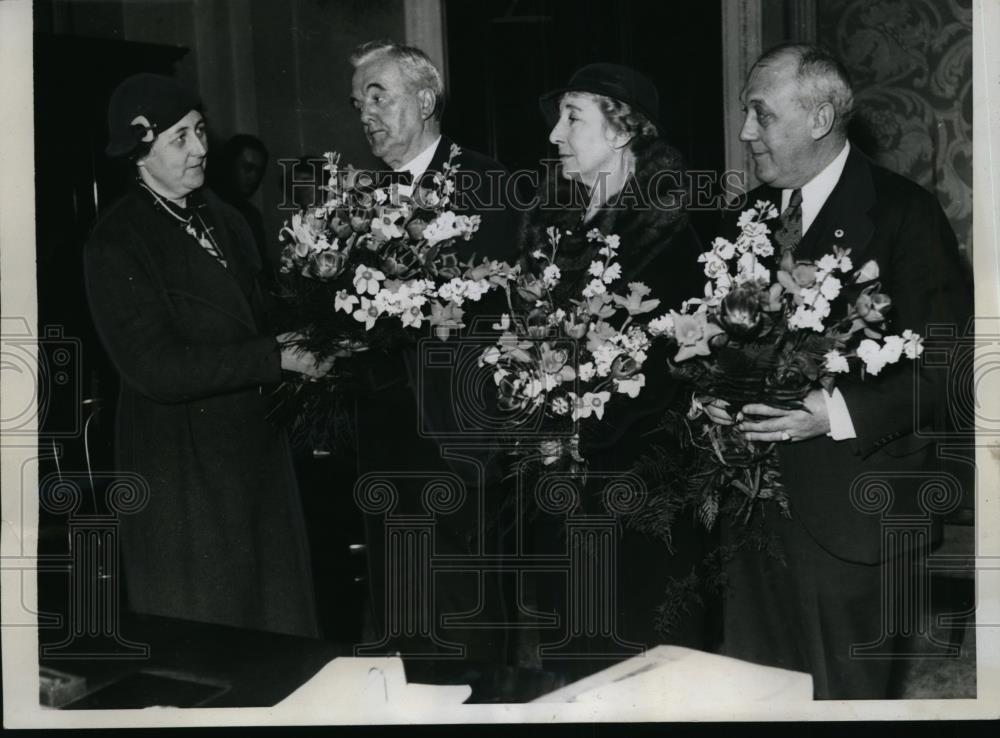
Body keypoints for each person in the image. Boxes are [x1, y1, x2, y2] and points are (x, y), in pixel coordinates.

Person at [704, 44, 972, 699]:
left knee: (844, 703)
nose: (744, 133)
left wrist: (832, 413)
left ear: (820, 118)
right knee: (752, 697)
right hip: (750, 518)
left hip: (855, 517)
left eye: (760, 116)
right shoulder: (746, 220)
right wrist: (710, 393)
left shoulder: (903, 214)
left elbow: (948, 368)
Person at [84, 73, 332, 638]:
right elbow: (155, 369)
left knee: (280, 629)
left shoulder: (225, 217)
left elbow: (262, 314)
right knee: (213, 637)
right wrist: (276, 358)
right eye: (180, 139)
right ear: (140, 153)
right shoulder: (117, 240)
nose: (200, 148)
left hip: (256, 456)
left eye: (199, 130)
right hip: (182, 471)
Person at [522, 63, 711, 679]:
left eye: (573, 116)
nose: (555, 134)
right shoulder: (556, 230)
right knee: (572, 663)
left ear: (623, 131)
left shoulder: (674, 234)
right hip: (566, 487)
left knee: (640, 665)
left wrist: (583, 421)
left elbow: (671, 375)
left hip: (638, 492)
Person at [347, 40, 522, 670]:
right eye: (358, 101)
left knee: (463, 605)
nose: (365, 113)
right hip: (384, 437)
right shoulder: (362, 198)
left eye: (378, 95)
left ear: (425, 100)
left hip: (458, 441)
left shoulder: (485, 181)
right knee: (397, 610)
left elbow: (496, 311)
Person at [213, 133, 271, 271]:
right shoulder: (209, 206)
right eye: (247, 168)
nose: (254, 177)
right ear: (229, 164)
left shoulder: (252, 215)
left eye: (259, 171)